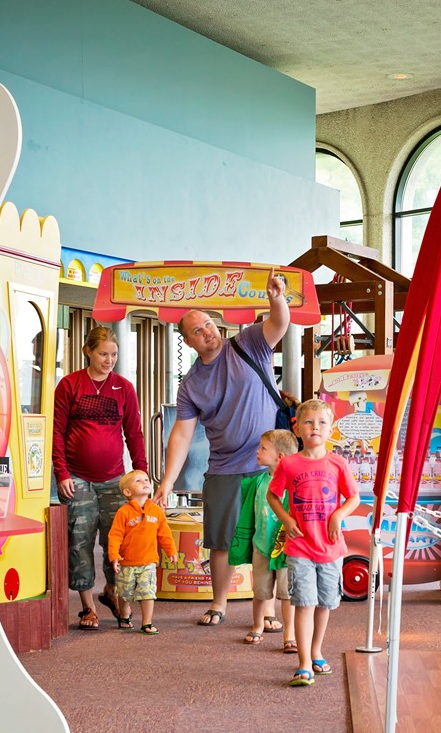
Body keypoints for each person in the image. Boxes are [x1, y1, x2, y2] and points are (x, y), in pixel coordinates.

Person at [153, 269, 290, 627]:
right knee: (220, 540)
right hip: (224, 468)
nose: (207, 331)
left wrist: (276, 297)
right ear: (188, 342)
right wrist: (167, 482)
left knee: (269, 537)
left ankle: (269, 609)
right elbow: (181, 436)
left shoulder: (247, 344)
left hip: (268, 465)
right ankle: (219, 603)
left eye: (209, 324)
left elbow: (279, 324)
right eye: (197, 330)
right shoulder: (191, 384)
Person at [53, 325, 148, 631]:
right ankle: (87, 608)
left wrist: (140, 470)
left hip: (114, 480)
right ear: (88, 352)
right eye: (103, 354)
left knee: (116, 543)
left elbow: (134, 431)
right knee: (79, 542)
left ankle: (115, 596)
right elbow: (56, 431)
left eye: (114, 354)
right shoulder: (69, 385)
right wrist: (61, 472)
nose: (109, 360)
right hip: (77, 478)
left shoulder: (124, 387)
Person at [267, 398, 361, 686]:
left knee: (325, 603)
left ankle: (317, 651)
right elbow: (273, 495)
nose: (315, 427)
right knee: (304, 602)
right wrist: (286, 519)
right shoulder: (289, 464)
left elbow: (353, 497)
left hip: (331, 548)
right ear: (298, 429)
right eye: (308, 422)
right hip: (300, 548)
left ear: (330, 430)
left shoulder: (338, 462)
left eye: (321, 423)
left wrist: (339, 515)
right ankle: (304, 662)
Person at [240, 428, 299, 651]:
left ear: (280, 457)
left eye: (263, 448)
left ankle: (290, 633)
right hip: (261, 545)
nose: (257, 451)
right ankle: (257, 625)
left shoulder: (293, 482)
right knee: (260, 591)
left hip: (287, 548)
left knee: (287, 594)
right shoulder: (258, 482)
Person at [107, 469, 177, 634]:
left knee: (148, 593)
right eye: (138, 481)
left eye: (146, 479)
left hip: (148, 562)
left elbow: (164, 534)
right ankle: (124, 615)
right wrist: (114, 556)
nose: (145, 482)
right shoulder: (123, 512)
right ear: (127, 492)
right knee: (125, 593)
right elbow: (115, 535)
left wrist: (171, 551)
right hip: (126, 562)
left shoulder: (156, 511)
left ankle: (147, 622)